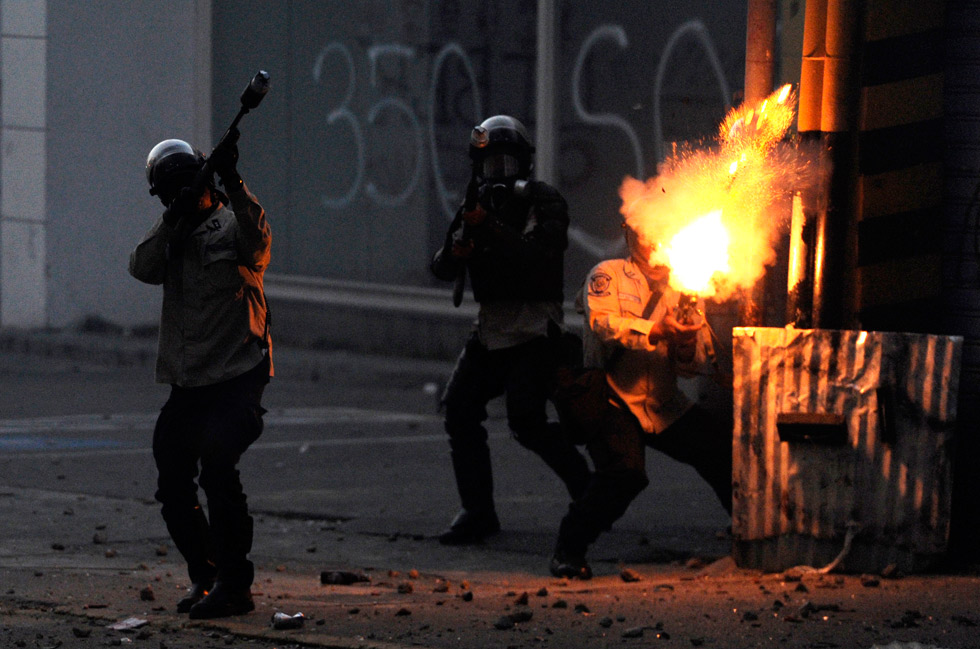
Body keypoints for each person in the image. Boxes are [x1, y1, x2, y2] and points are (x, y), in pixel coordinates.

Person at [129, 131, 272, 618]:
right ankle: (205, 573)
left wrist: (232, 179)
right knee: (172, 476)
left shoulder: (230, 224)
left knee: (217, 467)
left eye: (187, 185)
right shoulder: (173, 234)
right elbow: (140, 267)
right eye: (170, 191)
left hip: (237, 374)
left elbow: (259, 246)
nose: (182, 195)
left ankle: (235, 584)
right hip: (189, 382)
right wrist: (175, 216)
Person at [430, 115, 591, 545]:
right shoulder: (476, 203)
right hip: (491, 329)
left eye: (506, 164)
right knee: (460, 411)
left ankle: (589, 492)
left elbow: (539, 255)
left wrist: (491, 229)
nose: (497, 175)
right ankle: (477, 511)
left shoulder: (543, 200)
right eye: (489, 166)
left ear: (523, 164)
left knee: (527, 422)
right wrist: (457, 251)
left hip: (536, 329)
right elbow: (440, 266)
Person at [549, 223, 732, 579]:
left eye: (656, 231)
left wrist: (685, 347)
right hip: (614, 399)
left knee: (719, 449)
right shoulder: (608, 275)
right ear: (629, 236)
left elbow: (694, 366)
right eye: (640, 233)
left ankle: (750, 535)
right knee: (623, 475)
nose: (649, 241)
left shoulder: (687, 284)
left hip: (664, 403)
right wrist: (656, 330)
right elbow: (603, 325)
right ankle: (568, 550)